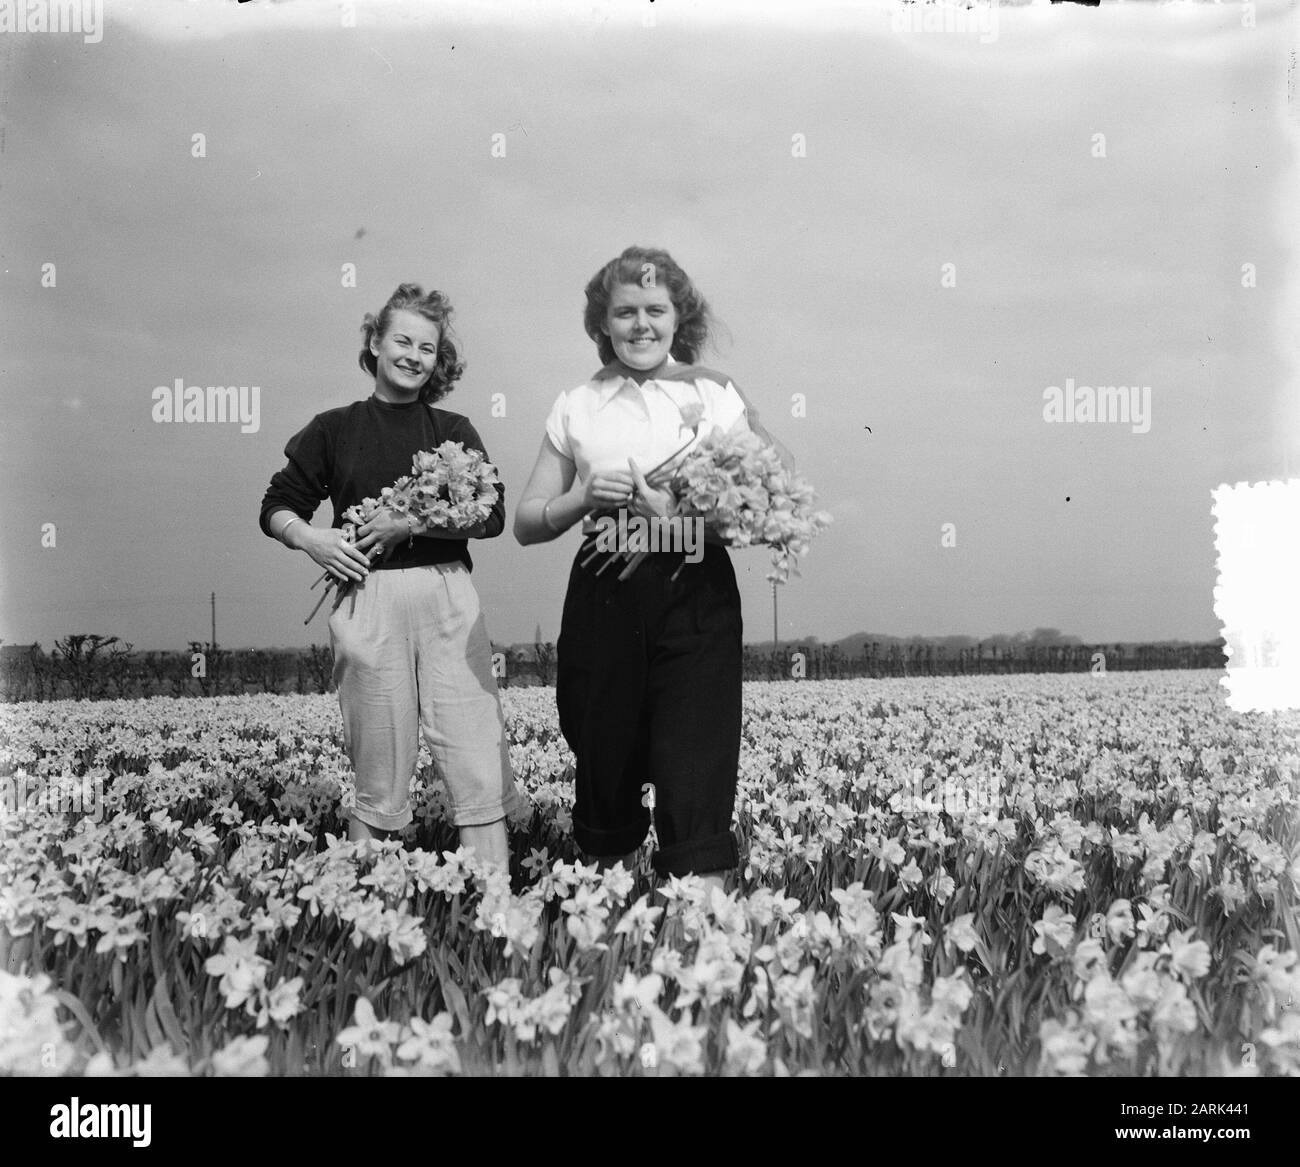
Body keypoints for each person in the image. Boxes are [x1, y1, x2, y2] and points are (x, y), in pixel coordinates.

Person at [514, 246, 781, 896]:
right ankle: (609, 926)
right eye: (624, 311)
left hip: (694, 591)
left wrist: (674, 518)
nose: (640, 324)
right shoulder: (577, 403)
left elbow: (755, 518)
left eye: (654, 309)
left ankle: (700, 934)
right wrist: (581, 498)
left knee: (696, 758)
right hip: (603, 593)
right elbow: (526, 521)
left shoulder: (713, 394)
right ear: (601, 322)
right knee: (604, 754)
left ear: (677, 315)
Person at [259, 283, 518, 869]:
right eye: (402, 340)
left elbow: (492, 514)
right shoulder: (333, 427)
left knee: (475, 754)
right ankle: (360, 913)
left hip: (448, 597)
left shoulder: (452, 427)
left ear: (437, 360)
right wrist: (313, 540)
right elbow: (277, 505)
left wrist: (411, 523)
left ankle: (495, 916)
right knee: (379, 761)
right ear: (375, 343)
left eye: (427, 348)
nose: (413, 356)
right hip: (367, 602)